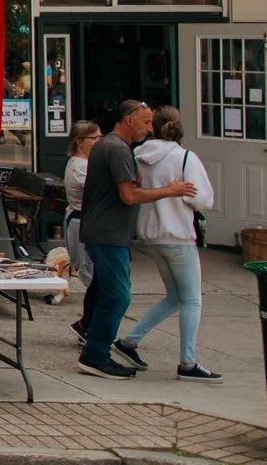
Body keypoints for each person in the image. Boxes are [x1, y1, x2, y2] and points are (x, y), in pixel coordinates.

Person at [77, 100, 197, 380]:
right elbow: (128, 196)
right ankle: (95, 355)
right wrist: (171, 190)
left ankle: (92, 345)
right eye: (145, 123)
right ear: (129, 120)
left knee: (105, 291)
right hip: (108, 234)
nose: (149, 129)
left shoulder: (108, 145)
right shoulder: (118, 149)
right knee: (118, 296)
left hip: (104, 232)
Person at [116, 106, 221, 383]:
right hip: (177, 233)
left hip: (151, 236)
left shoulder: (137, 154)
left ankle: (129, 341)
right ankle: (187, 362)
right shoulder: (185, 157)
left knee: (175, 296)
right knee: (192, 299)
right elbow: (203, 200)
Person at [54, 121, 102, 306]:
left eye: (100, 137)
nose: (99, 141)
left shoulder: (87, 163)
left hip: (86, 221)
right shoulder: (79, 167)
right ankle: (90, 322)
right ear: (80, 141)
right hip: (82, 223)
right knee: (90, 275)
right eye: (94, 138)